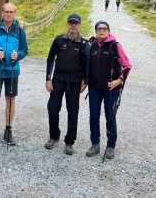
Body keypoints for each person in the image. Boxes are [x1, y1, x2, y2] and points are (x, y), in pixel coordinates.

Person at [0, 3, 28, 145]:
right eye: (6, 11)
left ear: (15, 13)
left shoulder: (20, 31)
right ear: (2, 12)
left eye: (11, 12)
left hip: (12, 70)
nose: (9, 14)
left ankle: (8, 131)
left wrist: (18, 55)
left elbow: (24, 49)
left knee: (10, 100)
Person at [86, 20, 132, 159]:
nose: (101, 30)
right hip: (94, 87)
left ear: (108, 31)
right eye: (99, 28)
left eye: (104, 28)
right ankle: (95, 144)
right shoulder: (92, 45)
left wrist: (118, 81)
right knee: (93, 116)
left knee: (110, 116)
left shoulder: (115, 46)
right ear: (96, 31)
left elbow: (127, 66)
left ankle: (111, 146)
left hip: (111, 89)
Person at [44, 14, 89, 155]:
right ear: (67, 24)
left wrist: (85, 81)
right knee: (52, 108)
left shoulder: (84, 43)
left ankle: (69, 142)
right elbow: (50, 59)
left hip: (75, 82)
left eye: (76, 23)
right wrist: (48, 78)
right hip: (58, 79)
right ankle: (53, 136)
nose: (73, 26)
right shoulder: (58, 39)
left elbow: (87, 64)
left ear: (80, 25)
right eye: (71, 23)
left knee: (73, 112)